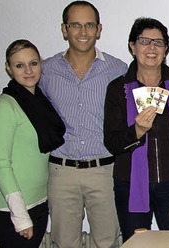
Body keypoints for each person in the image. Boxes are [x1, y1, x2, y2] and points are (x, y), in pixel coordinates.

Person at [103, 17, 169, 241]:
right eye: (144, 41)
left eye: (158, 42)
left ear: (166, 49)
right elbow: (112, 142)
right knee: (136, 244)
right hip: (131, 185)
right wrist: (137, 131)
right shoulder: (118, 89)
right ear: (132, 46)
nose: (151, 48)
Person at [38, 1, 127, 247]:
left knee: (108, 242)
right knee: (64, 242)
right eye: (75, 25)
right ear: (64, 29)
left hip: (104, 171)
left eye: (89, 25)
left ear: (99, 29)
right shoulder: (46, 71)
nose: (83, 32)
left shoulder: (117, 69)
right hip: (61, 172)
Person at [0, 40, 65, 248]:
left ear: (41, 64)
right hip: (13, 210)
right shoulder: (6, 105)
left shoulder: (39, 101)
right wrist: (20, 216)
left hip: (39, 203)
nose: (28, 71)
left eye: (33, 63)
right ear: (9, 69)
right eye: (19, 65)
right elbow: (1, 163)